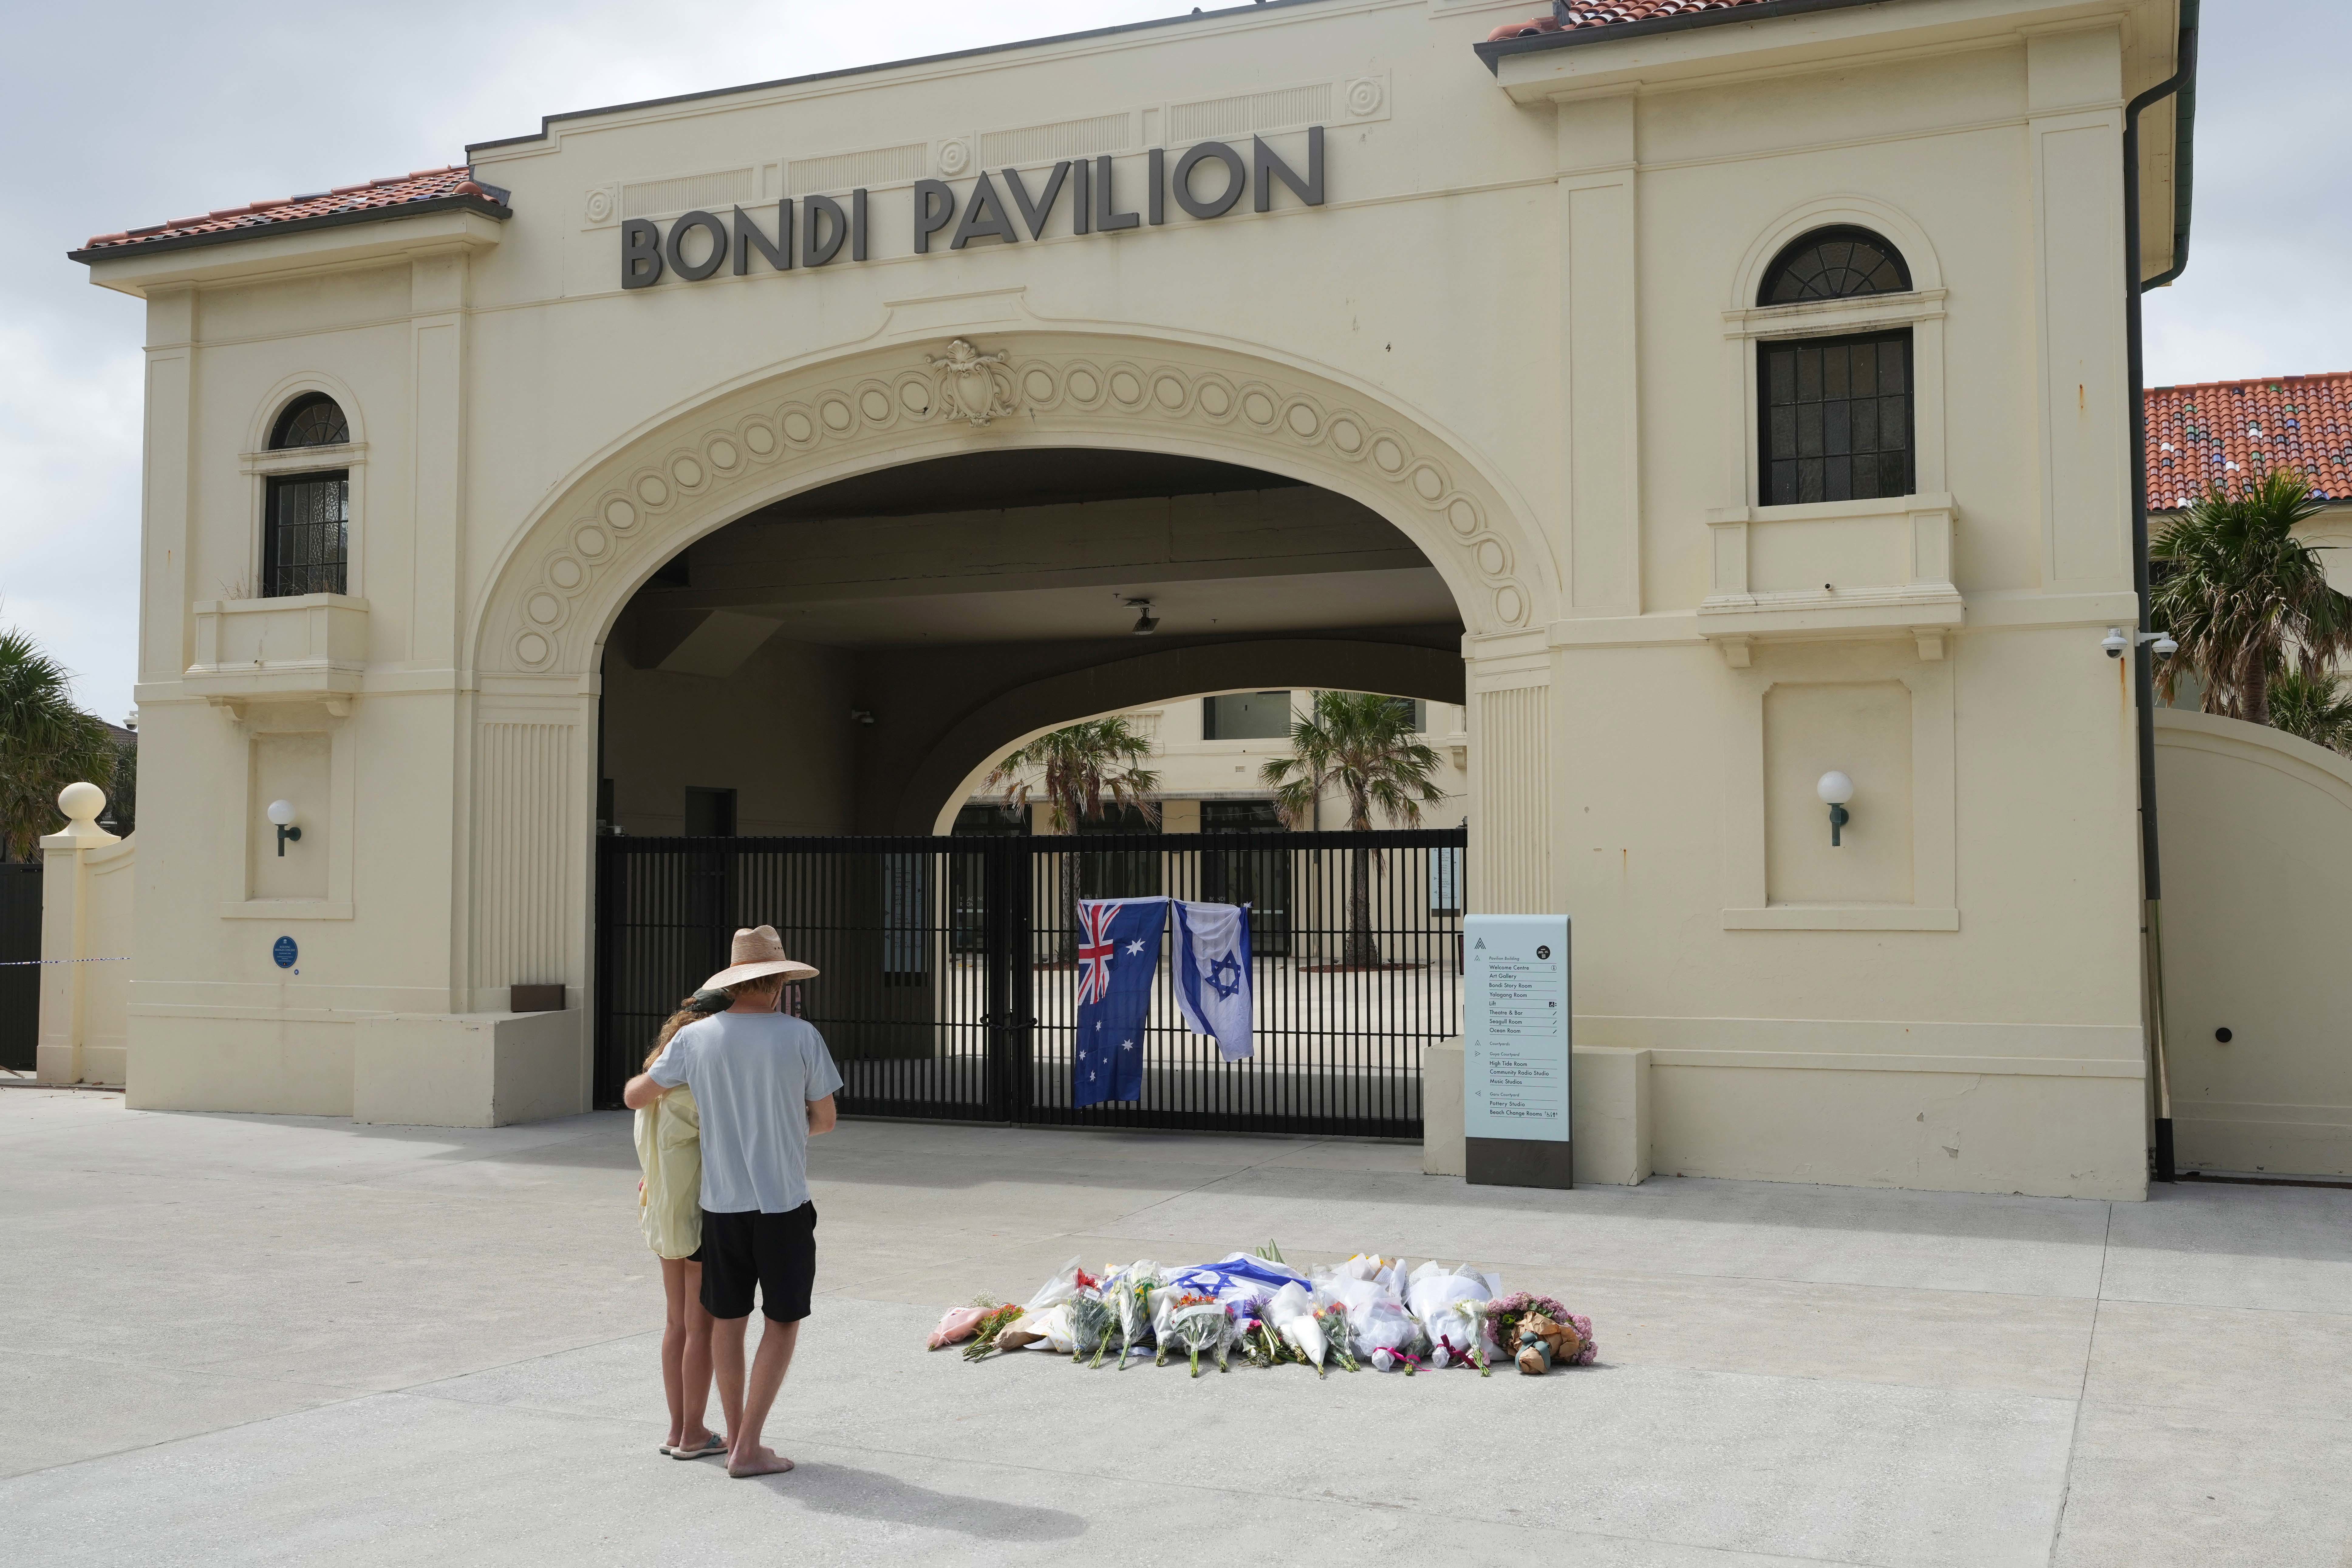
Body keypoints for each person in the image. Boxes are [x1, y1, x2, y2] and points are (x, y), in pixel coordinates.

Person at [624, 926, 840, 1480]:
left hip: (720, 1206)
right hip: (783, 1202)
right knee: (783, 1321)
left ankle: (732, 1432)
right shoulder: (800, 1037)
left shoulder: (694, 1041)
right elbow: (825, 1120)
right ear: (778, 982)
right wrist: (779, 1130)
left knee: (726, 1321)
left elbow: (635, 1097)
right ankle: (748, 1445)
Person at [633, 988, 729, 1461]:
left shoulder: (653, 1084)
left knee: (676, 1325)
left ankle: (677, 1429)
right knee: (701, 1328)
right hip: (697, 1212)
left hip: (658, 1210)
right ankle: (693, 1432)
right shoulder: (697, 1090)